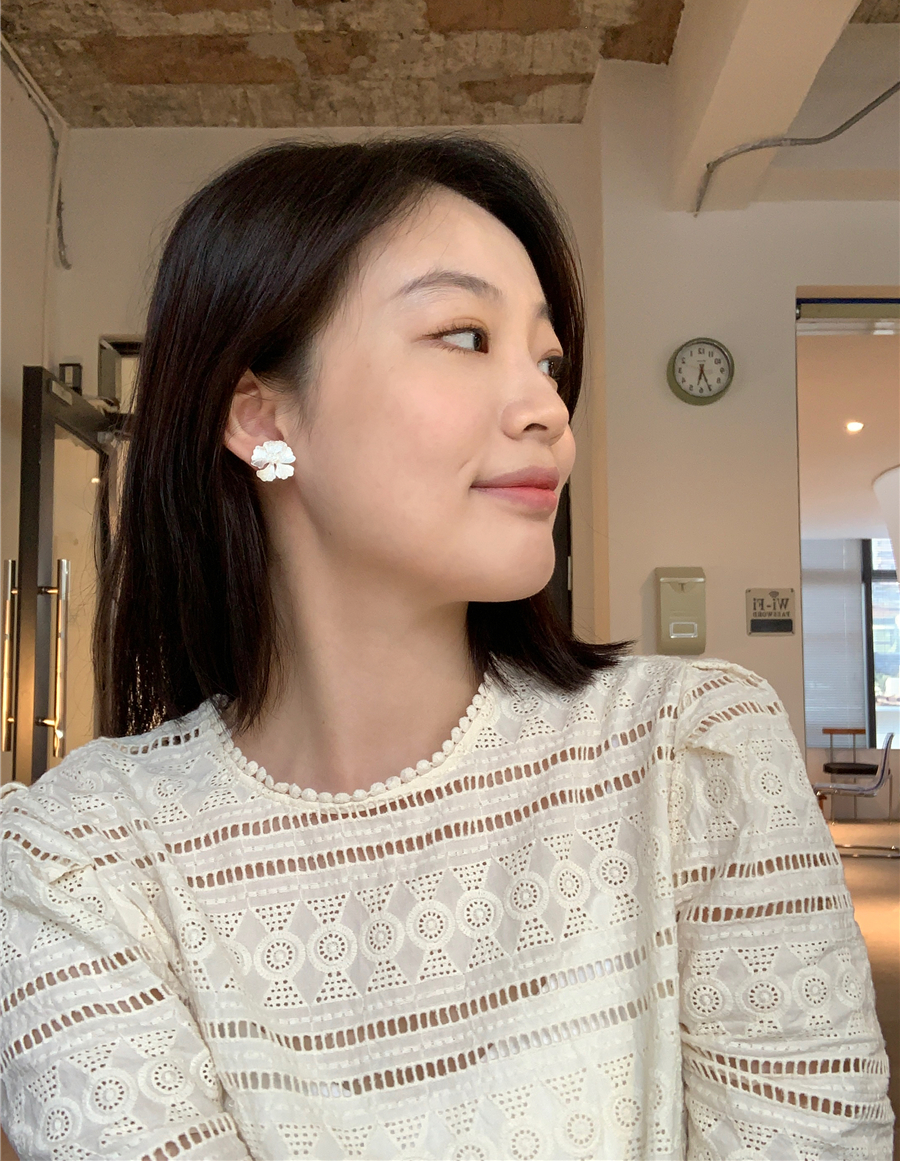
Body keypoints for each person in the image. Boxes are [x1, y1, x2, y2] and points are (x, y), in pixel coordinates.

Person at [0, 136, 891, 1161]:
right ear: (261, 416)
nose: (549, 410)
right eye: (466, 337)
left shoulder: (692, 754)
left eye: (548, 361)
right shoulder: (78, 859)